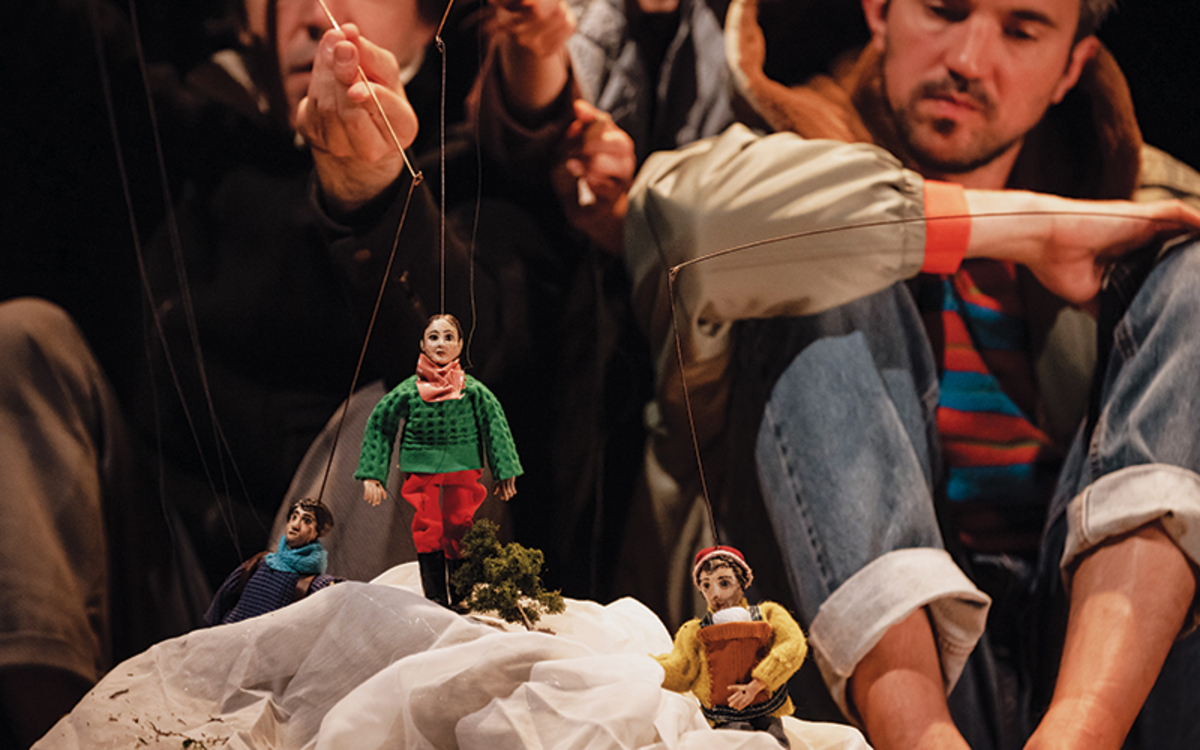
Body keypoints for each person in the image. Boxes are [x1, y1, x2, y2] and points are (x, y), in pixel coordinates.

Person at [624, 0, 1200, 747]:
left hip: (1097, 674)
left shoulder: (1141, 201)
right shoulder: (772, 152)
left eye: (1021, 31)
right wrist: (1027, 229)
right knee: (818, 260)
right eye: (943, 10)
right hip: (819, 682)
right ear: (879, 10)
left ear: (1072, 69)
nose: (968, 60)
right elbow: (688, 227)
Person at [0, 0, 533, 745]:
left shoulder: (477, 150)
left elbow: (485, 360)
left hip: (349, 608)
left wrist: (373, 186)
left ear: (428, 22)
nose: (315, 15)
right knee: (25, 338)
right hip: (170, 581)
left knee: (417, 413)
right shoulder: (186, 129)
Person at [355, 314, 523, 607]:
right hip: (421, 465)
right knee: (427, 526)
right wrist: (373, 472)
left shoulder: (473, 389)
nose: (441, 343)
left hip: (463, 463)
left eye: (448, 337)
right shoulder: (409, 390)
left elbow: (495, 423)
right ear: (422, 344)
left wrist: (504, 468)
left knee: (460, 524)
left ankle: (461, 594)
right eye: (433, 337)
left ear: (460, 345)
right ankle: (434, 595)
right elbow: (381, 422)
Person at [654, 545, 807, 747]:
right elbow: (682, 670)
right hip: (723, 718)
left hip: (766, 710)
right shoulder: (694, 632)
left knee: (774, 744)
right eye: (706, 585)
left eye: (724, 583)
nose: (715, 594)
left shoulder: (768, 614)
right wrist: (648, 666)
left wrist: (757, 684)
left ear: (742, 582)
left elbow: (793, 645)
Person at [204, 497, 340, 625]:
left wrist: (339, 587)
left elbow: (338, 596)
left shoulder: (311, 582)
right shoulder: (260, 562)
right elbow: (224, 594)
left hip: (266, 640)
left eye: (307, 521)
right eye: (294, 517)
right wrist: (212, 626)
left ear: (317, 532)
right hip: (232, 632)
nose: (295, 525)